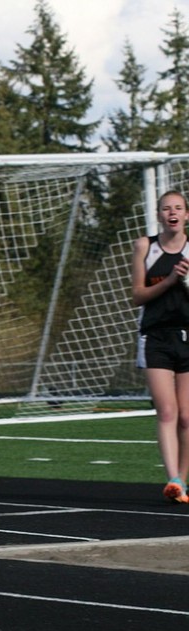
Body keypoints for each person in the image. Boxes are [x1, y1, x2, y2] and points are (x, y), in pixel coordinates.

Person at [132, 189, 189, 503]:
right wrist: (169, 280)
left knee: (187, 416)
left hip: (187, 336)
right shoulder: (145, 246)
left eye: (178, 208)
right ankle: (173, 479)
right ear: (159, 215)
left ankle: (184, 483)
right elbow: (137, 296)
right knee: (167, 411)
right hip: (155, 337)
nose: (173, 213)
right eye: (167, 208)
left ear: (186, 215)